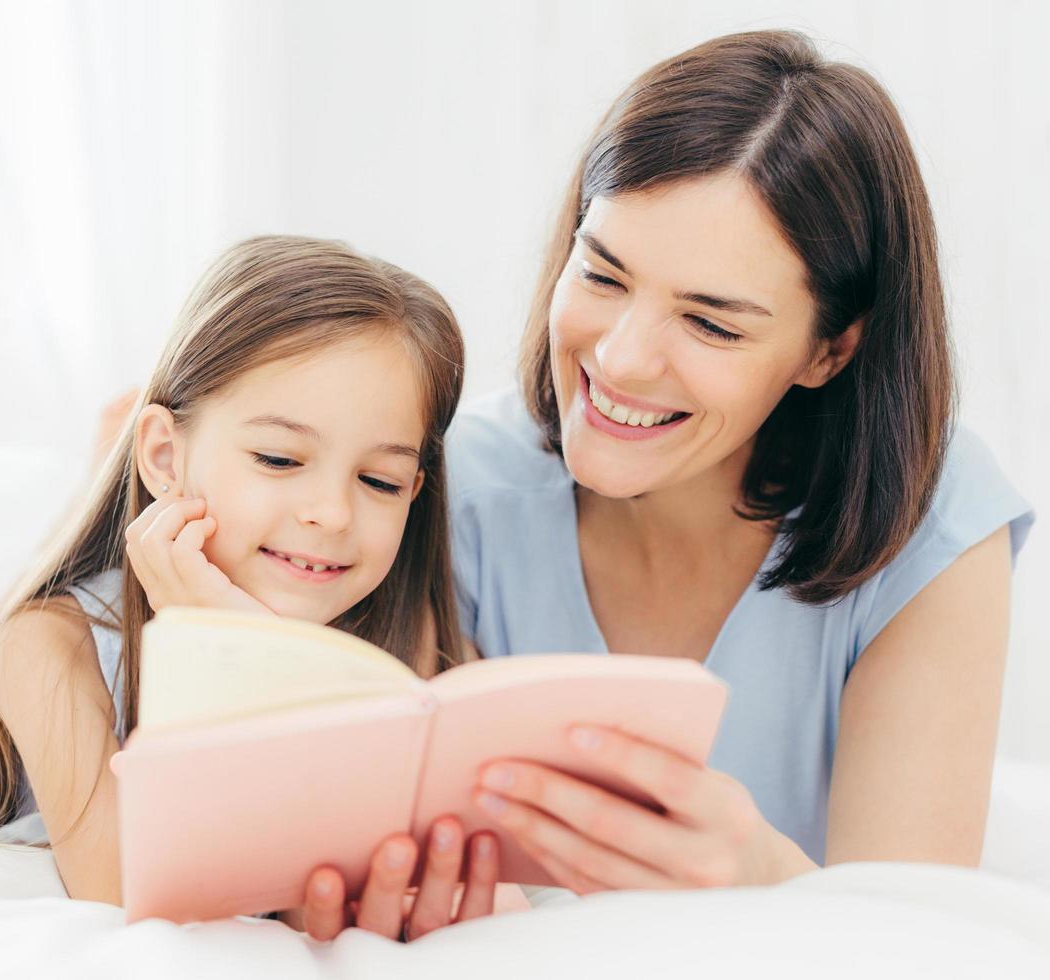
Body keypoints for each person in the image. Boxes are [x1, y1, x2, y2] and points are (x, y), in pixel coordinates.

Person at [435, 29, 1034, 897]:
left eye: (711, 324)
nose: (624, 358)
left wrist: (762, 874)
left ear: (828, 353)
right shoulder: (461, 486)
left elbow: (913, 934)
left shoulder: (931, 523)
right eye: (603, 275)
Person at [0, 234, 502, 940]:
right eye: (279, 458)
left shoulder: (419, 645)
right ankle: (68, 520)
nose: (332, 513)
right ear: (163, 454)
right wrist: (219, 645)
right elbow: (126, 890)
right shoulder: (47, 648)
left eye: (380, 481)